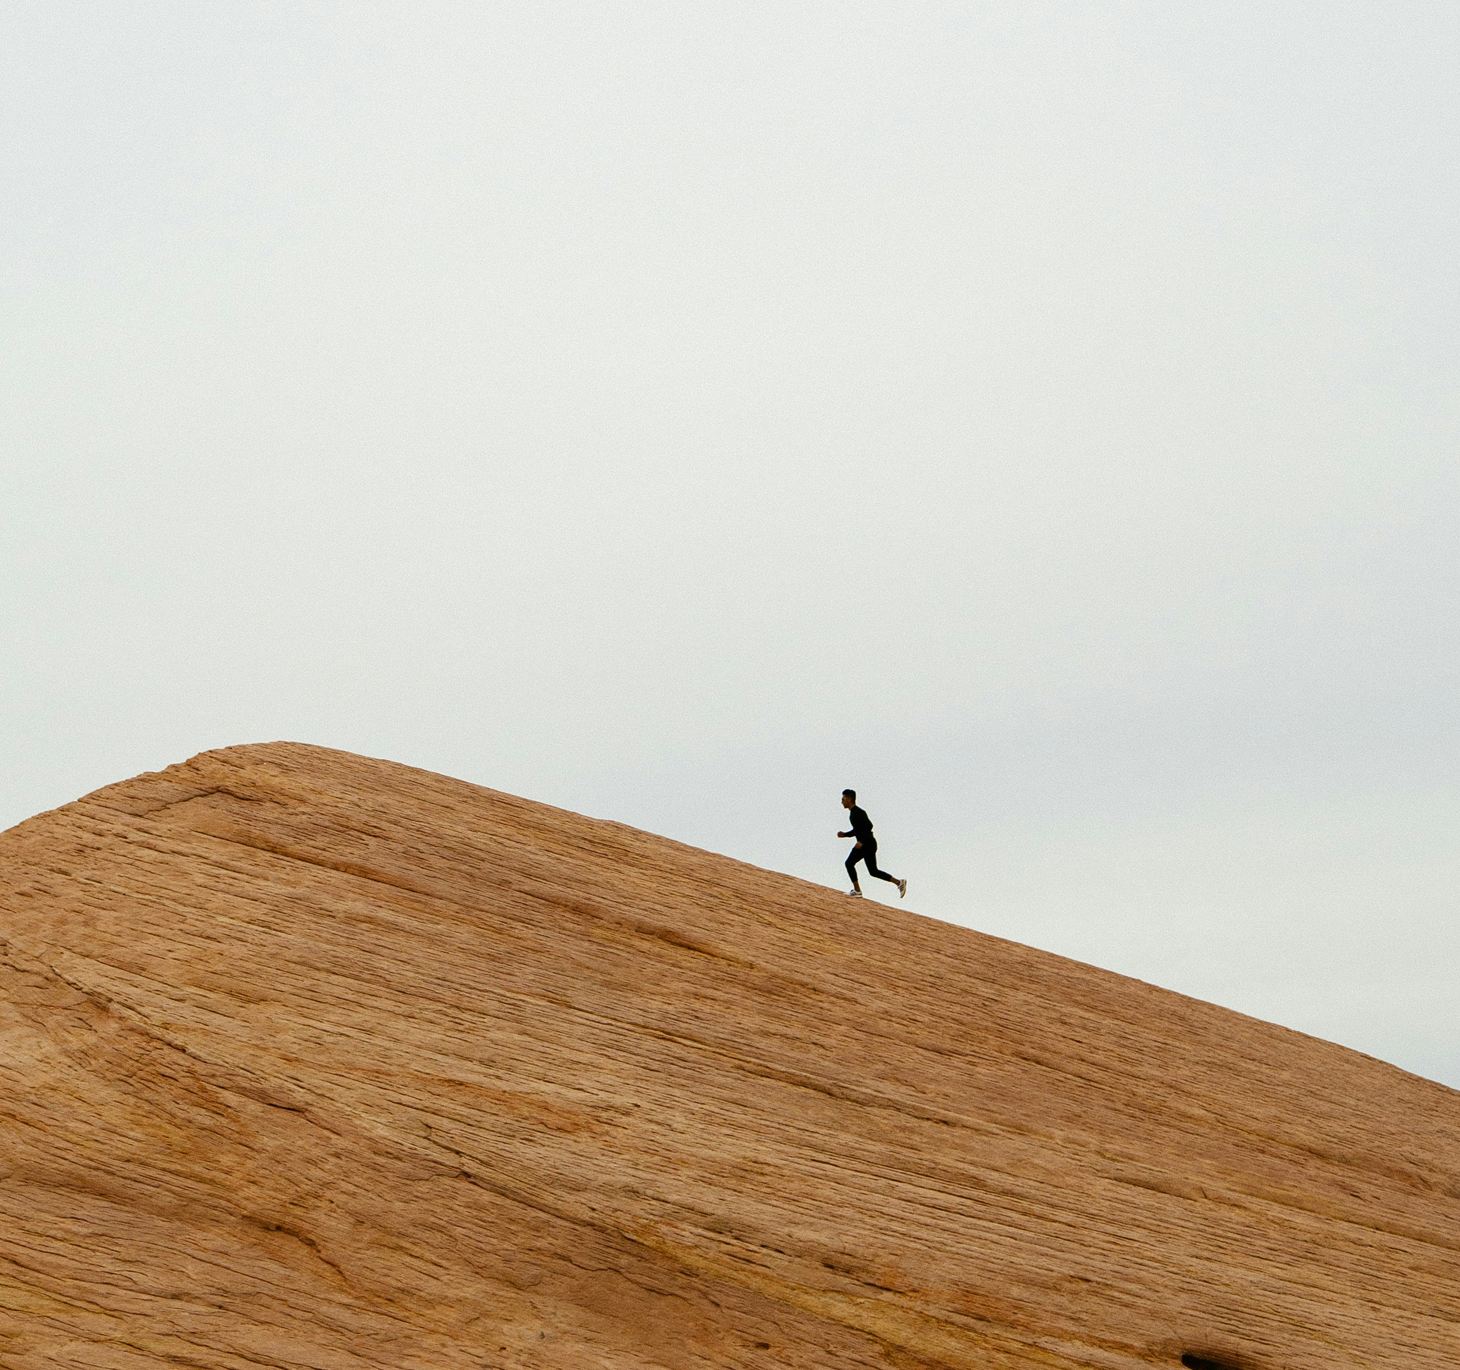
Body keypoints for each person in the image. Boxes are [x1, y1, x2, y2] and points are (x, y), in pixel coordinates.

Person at [837, 789, 907, 899]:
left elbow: (869, 826)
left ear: (849, 799)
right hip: (869, 844)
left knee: (849, 863)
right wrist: (845, 834)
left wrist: (861, 842)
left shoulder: (858, 812)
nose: (841, 802)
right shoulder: (853, 813)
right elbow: (857, 830)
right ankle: (899, 882)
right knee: (873, 871)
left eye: (843, 799)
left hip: (867, 844)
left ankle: (857, 891)